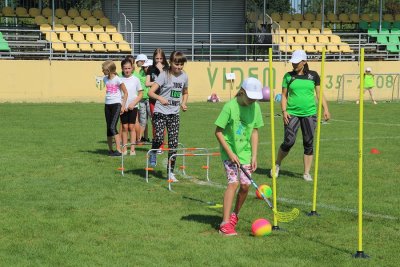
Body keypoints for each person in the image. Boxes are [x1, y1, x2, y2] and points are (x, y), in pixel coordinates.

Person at [215, 77, 264, 236]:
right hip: (229, 152)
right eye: (250, 97)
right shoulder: (229, 107)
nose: (252, 100)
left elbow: (255, 131)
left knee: (245, 186)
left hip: (246, 153)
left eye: (255, 98)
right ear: (242, 92)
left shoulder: (255, 107)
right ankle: (224, 223)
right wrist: (230, 153)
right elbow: (218, 132)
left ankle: (234, 215)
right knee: (234, 183)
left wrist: (254, 156)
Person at [272, 50, 330, 181]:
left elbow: (320, 94)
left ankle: (306, 173)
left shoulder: (314, 76)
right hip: (292, 113)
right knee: (289, 141)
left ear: (304, 62)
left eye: (297, 62)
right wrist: (284, 111)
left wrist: (325, 109)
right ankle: (277, 164)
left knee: (308, 142)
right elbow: (284, 96)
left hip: (309, 113)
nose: (294, 64)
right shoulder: (288, 76)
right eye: (293, 62)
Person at [147, 51, 188, 182]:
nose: (179, 67)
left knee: (173, 144)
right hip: (160, 111)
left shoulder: (184, 76)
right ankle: (153, 151)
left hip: (174, 113)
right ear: (170, 62)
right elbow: (150, 92)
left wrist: (184, 103)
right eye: (177, 64)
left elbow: (185, 92)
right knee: (159, 138)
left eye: (181, 65)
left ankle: (170, 172)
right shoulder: (164, 75)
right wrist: (160, 98)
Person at [102, 60, 128, 157]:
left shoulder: (118, 79)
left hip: (116, 105)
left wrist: (123, 105)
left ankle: (119, 150)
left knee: (113, 127)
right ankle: (110, 150)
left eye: (104, 69)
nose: (102, 71)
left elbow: (125, 92)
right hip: (107, 105)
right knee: (109, 128)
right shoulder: (105, 79)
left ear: (109, 70)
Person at [146, 48, 169, 147]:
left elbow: (168, 82)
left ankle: (162, 145)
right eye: (157, 58)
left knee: (163, 123)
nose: (159, 61)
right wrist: (157, 83)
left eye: (160, 58)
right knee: (155, 122)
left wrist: (161, 70)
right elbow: (147, 83)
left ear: (163, 58)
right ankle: (156, 144)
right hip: (153, 99)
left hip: (164, 99)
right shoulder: (151, 68)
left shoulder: (167, 68)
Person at [120, 58, 143, 156]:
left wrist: (133, 103)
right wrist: (122, 105)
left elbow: (140, 94)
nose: (127, 70)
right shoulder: (119, 80)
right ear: (122, 68)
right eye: (125, 68)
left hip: (133, 107)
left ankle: (132, 149)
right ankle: (124, 148)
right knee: (124, 127)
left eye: (129, 68)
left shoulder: (136, 79)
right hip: (122, 107)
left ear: (132, 68)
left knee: (131, 127)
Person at [138, 59, 153, 142]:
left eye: (146, 67)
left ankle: (156, 139)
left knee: (152, 120)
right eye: (143, 67)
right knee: (143, 120)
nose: (144, 69)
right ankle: (139, 139)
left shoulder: (154, 74)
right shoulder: (140, 73)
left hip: (151, 99)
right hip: (142, 99)